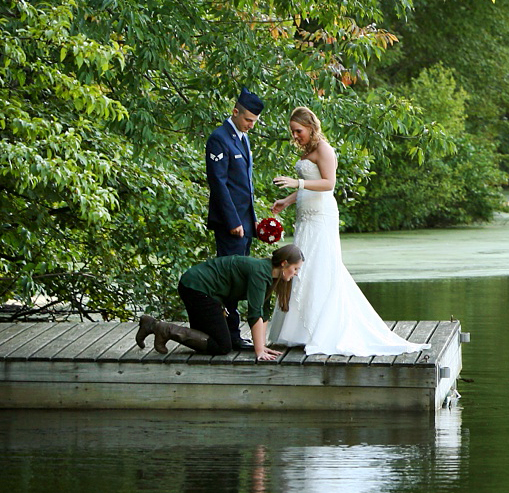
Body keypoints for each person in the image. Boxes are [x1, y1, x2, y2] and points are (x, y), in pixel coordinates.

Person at [267, 106, 429, 356]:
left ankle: (320, 330)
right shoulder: (308, 150)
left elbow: (328, 184)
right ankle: (297, 331)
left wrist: (297, 182)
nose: (295, 136)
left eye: (298, 131)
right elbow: (309, 187)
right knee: (301, 268)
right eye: (293, 132)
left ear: (310, 127)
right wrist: (287, 201)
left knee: (319, 267)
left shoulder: (324, 149)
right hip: (305, 216)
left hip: (321, 217)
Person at [135, 244, 304, 361]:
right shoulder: (260, 272)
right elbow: (254, 314)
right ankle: (161, 328)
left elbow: (263, 312)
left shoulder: (270, 276)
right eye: (295, 268)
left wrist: (262, 346)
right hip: (197, 287)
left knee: (214, 340)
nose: (296, 273)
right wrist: (259, 351)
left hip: (209, 293)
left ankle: (158, 327)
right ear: (284, 264)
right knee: (222, 346)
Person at [206, 86, 264, 351]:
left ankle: (234, 332)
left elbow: (245, 185)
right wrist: (233, 222)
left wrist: (252, 219)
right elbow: (218, 184)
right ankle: (229, 333)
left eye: (254, 121)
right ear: (235, 112)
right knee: (229, 277)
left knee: (240, 278)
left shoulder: (242, 138)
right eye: (248, 119)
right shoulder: (219, 138)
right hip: (230, 224)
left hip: (245, 222)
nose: (251, 125)